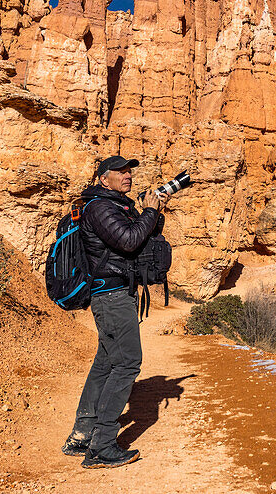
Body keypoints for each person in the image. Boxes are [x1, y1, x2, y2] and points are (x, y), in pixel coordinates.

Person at [62, 155, 169, 469]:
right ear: (102, 178)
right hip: (110, 295)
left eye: (129, 171)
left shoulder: (115, 205)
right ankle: (103, 445)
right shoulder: (99, 207)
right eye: (120, 171)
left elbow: (144, 232)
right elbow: (130, 240)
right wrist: (148, 209)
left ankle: (82, 436)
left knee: (106, 363)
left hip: (114, 293)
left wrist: (154, 209)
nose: (128, 175)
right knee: (127, 364)